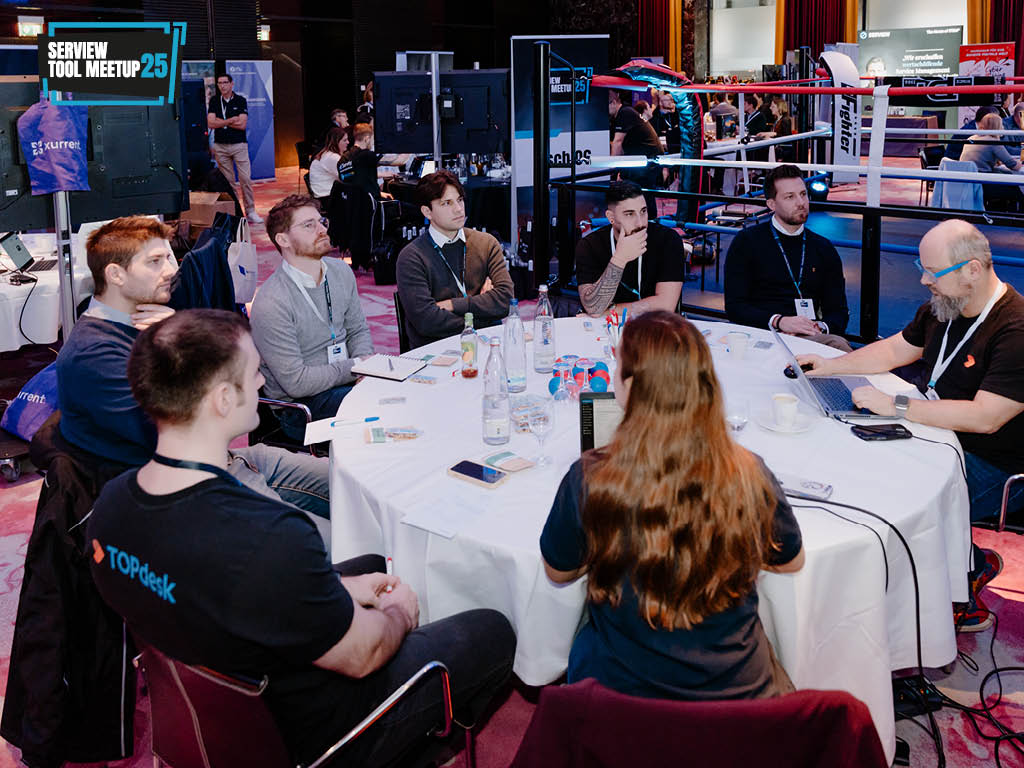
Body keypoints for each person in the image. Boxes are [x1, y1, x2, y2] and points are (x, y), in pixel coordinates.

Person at [88, 308, 516, 768]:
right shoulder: (270, 536)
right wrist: (398, 613)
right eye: (254, 373)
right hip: (317, 734)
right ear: (223, 399)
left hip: (215, 708)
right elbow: (364, 654)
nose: (262, 383)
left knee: (373, 563)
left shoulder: (109, 509)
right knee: (494, 629)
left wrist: (342, 587)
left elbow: (223, 591)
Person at [541, 311, 804, 700]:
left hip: (621, 696)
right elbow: (791, 561)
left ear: (633, 387)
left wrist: (607, 541)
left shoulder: (592, 478)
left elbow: (558, 571)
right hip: (737, 698)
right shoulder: (748, 472)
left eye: (617, 366)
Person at [797, 220, 1024, 631]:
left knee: (896, 495)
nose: (923, 280)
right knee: (858, 461)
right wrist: (830, 366)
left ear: (972, 270)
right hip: (939, 433)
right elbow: (894, 351)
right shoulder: (945, 304)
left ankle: (960, 585)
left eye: (932, 272)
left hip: (993, 461)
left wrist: (895, 406)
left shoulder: (1015, 329)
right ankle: (955, 564)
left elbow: (985, 418)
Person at [54, 216, 334, 522]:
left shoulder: (147, 321)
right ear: (115, 275)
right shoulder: (94, 355)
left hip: (225, 461)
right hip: (187, 489)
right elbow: (191, 431)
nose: (171, 271)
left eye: (169, 258)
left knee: (357, 481)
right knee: (329, 541)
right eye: (155, 262)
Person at [250, 195, 374, 439]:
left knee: (405, 393)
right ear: (283, 240)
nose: (322, 230)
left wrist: (363, 374)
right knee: (383, 407)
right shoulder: (272, 302)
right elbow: (297, 383)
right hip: (300, 409)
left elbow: (358, 330)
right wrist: (357, 366)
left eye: (321, 221)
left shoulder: (340, 271)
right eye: (309, 225)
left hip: (347, 382)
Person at [724, 164, 850, 350]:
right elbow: (735, 307)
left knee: (837, 344)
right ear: (771, 204)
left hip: (810, 337)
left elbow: (839, 311)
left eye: (803, 194)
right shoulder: (746, 242)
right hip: (762, 335)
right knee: (838, 346)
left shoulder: (823, 248)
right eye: (790, 197)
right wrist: (779, 322)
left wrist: (819, 327)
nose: (801, 202)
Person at [395, 170, 514, 348]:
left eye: (459, 200)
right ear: (427, 212)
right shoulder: (412, 257)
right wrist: (485, 314)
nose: (458, 209)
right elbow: (427, 321)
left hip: (487, 345)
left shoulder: (487, 244)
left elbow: (506, 301)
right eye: (446, 203)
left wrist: (452, 305)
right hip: (437, 350)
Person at [575, 180, 685, 318]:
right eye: (629, 214)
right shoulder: (589, 245)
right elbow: (594, 307)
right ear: (611, 217)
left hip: (656, 325)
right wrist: (619, 259)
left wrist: (609, 311)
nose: (640, 223)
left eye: (643, 211)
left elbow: (665, 306)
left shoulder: (668, 240)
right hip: (608, 327)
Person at [207, 73, 262, 225]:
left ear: (232, 84)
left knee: (245, 179)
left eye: (225, 82)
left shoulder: (240, 100)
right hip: (220, 146)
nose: (222, 86)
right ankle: (236, 212)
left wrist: (221, 121)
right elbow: (210, 123)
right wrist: (231, 120)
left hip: (239, 145)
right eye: (219, 83)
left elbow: (242, 124)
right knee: (228, 182)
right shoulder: (214, 101)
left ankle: (250, 211)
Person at [609, 90, 663, 209]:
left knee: (641, 194)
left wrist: (611, 169)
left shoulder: (625, 112)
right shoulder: (625, 112)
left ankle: (648, 218)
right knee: (641, 193)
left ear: (613, 103)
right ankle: (645, 217)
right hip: (646, 159)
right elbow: (621, 146)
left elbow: (618, 142)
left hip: (647, 160)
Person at [309, 126, 351, 199]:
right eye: (345, 140)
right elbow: (345, 177)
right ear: (336, 142)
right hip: (325, 196)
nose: (348, 142)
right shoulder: (332, 157)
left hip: (323, 192)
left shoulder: (327, 153)